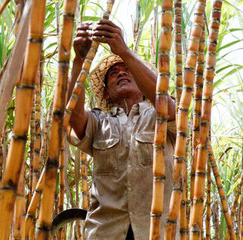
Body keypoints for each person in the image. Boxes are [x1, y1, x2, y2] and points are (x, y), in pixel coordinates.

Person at [66, 19, 177, 240]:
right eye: (113, 72)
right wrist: (79, 60)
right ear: (106, 93)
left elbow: (170, 107)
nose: (120, 73)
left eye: (127, 70)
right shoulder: (100, 122)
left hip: (156, 231)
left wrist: (124, 52)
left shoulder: (159, 115)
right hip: (106, 231)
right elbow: (73, 116)